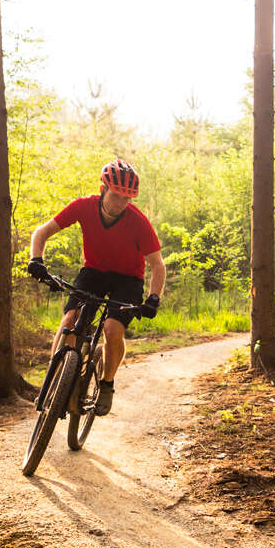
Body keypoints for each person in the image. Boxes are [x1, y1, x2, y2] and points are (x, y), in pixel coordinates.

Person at [26, 159, 166, 415]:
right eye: (116, 195)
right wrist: (36, 259)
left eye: (127, 198)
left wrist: (153, 298)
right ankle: (54, 377)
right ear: (103, 189)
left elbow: (157, 265)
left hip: (128, 279)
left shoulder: (138, 222)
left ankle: (107, 384)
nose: (120, 203)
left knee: (113, 330)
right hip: (93, 273)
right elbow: (42, 232)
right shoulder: (83, 207)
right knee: (70, 320)